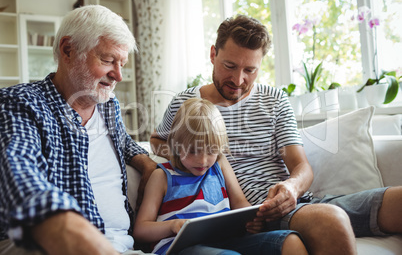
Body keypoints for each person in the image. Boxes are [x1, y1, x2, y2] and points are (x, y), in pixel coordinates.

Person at [150, 14, 402, 254]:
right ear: (213, 54)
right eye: (230, 66)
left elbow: (301, 166)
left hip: (300, 203)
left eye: (250, 70)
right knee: (330, 219)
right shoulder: (186, 103)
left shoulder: (274, 99)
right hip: (259, 214)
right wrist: (192, 155)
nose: (238, 79)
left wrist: (291, 188)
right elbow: (158, 140)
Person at [0, 5, 157, 255]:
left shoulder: (108, 106)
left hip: (125, 247)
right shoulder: (20, 103)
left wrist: (147, 164)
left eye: (122, 64)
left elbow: (124, 143)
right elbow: (21, 177)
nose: (118, 75)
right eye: (107, 60)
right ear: (68, 50)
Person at [134, 98, 308, 255]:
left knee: (290, 242)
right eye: (193, 151)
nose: (202, 160)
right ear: (176, 145)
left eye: (211, 151)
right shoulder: (162, 177)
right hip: (179, 248)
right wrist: (172, 226)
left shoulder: (219, 164)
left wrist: (252, 221)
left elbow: (240, 203)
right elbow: (140, 230)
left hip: (225, 242)